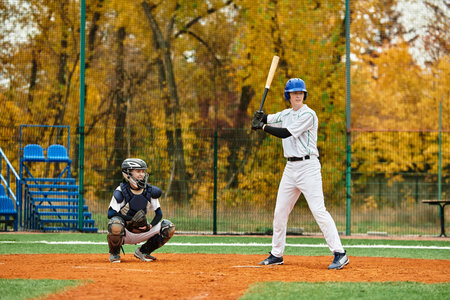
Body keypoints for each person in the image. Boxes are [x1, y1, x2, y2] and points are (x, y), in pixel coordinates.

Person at [251, 78, 349, 269]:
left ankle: (340, 253)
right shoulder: (286, 113)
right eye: (294, 93)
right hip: (290, 168)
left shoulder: (309, 114)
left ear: (304, 95)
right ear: (288, 96)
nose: (298, 95)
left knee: (319, 211)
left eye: (300, 93)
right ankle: (276, 254)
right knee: (280, 212)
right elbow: (270, 118)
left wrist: (261, 127)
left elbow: (285, 133)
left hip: (308, 167)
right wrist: (259, 116)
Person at [107, 158, 175, 263]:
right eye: (138, 171)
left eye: (143, 171)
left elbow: (159, 214)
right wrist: (131, 219)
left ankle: (143, 251)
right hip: (126, 232)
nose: (142, 174)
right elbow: (111, 213)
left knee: (168, 227)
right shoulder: (121, 190)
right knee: (115, 224)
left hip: (143, 230)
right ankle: (115, 253)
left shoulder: (149, 190)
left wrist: (150, 225)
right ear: (127, 173)